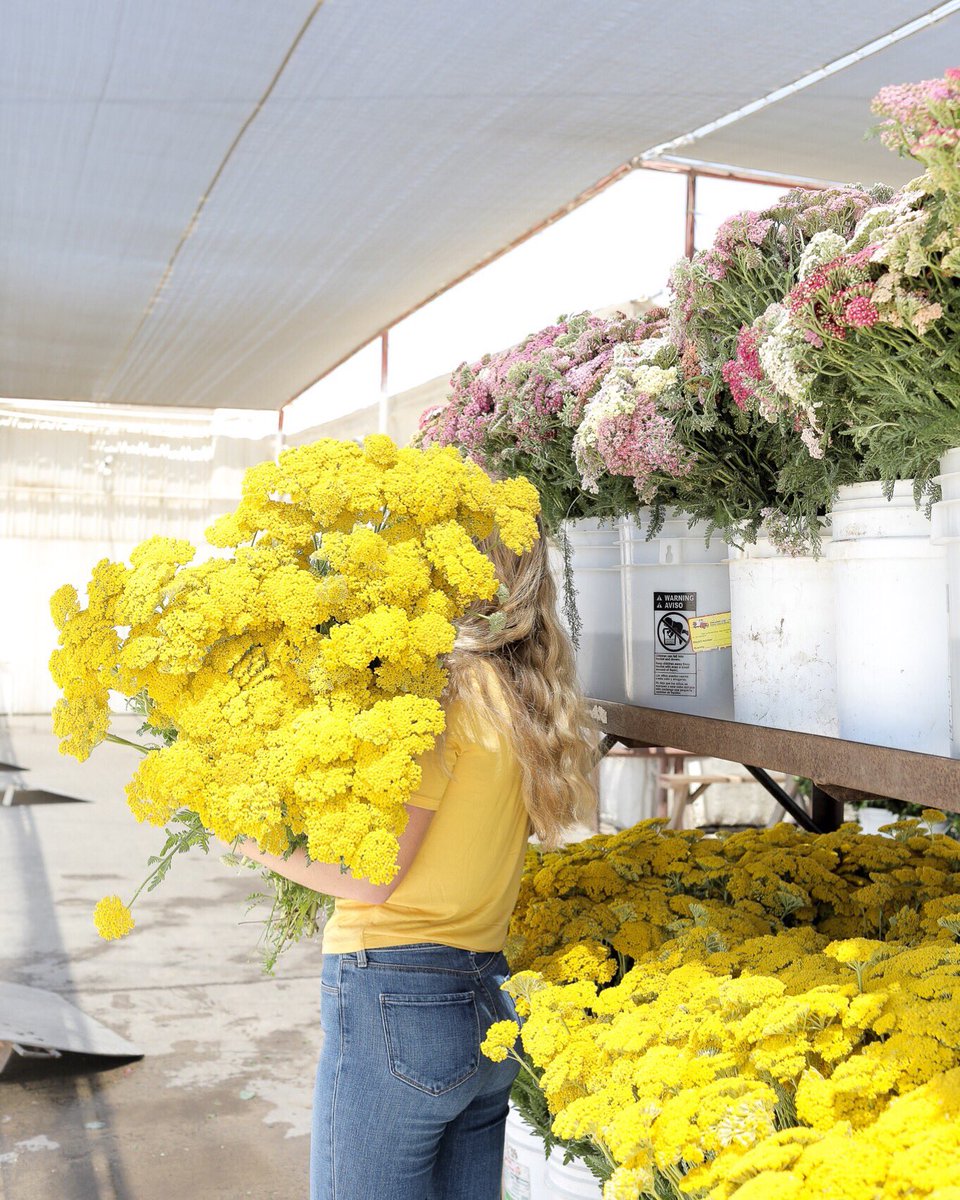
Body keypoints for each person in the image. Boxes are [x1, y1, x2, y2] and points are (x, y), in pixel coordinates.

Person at [235, 516, 599, 1199]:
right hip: (487, 1004)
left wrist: (250, 835)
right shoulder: (520, 693)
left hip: (395, 998)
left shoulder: (440, 695)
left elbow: (373, 880)